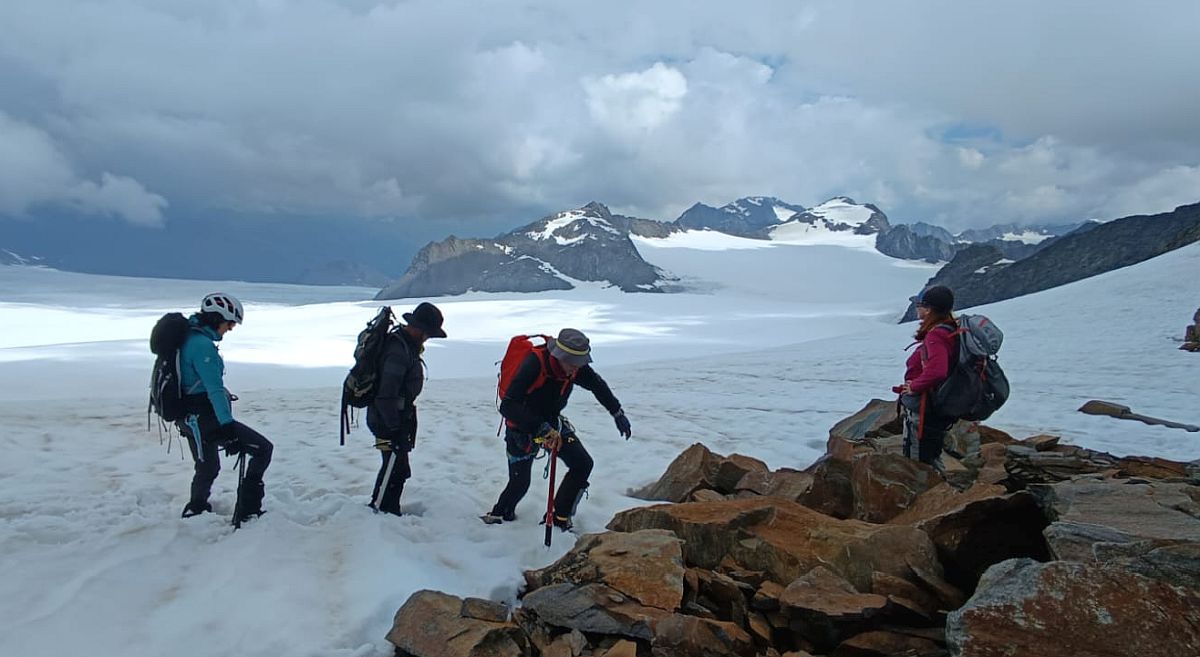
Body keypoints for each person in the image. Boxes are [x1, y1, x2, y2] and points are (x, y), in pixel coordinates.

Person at [482, 328, 632, 531]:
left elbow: (596, 384)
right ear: (559, 356)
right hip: (523, 430)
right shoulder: (534, 364)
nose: (575, 369)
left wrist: (617, 412)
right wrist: (538, 428)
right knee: (520, 483)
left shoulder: (575, 367)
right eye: (571, 363)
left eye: (579, 363)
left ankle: (559, 518)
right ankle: (499, 515)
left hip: (552, 425)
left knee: (582, 464)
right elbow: (508, 406)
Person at [178, 293, 274, 523]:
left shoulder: (187, 338)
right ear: (216, 318)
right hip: (205, 418)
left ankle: (196, 508)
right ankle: (248, 511)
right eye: (229, 322)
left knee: (208, 465)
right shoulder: (202, 347)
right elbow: (214, 389)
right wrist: (227, 426)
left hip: (188, 417)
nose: (230, 328)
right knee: (263, 449)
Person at [366, 302, 446, 516]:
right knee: (395, 466)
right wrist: (395, 429)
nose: (428, 338)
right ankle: (383, 510)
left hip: (391, 418)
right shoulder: (398, 351)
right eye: (428, 333)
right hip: (386, 420)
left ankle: (386, 508)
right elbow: (386, 395)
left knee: (396, 466)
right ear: (418, 329)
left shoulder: (403, 345)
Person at [896, 285, 958, 470]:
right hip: (938, 403)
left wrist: (914, 386)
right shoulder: (950, 328)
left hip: (925, 407)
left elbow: (938, 371)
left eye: (920, 305)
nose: (917, 308)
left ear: (928, 309)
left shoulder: (936, 335)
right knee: (931, 453)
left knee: (919, 460)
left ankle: (928, 494)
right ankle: (940, 492)